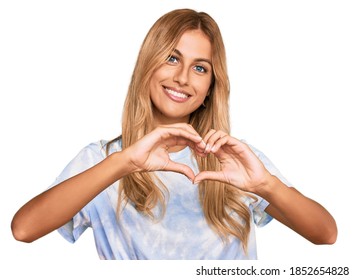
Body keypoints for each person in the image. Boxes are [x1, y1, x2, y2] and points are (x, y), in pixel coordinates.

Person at [10, 8, 337, 260]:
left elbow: (325, 233)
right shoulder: (104, 159)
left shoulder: (233, 160)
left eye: (199, 67)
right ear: (147, 66)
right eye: (171, 58)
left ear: (210, 87)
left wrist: (267, 185)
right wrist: (124, 162)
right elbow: (24, 229)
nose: (182, 77)